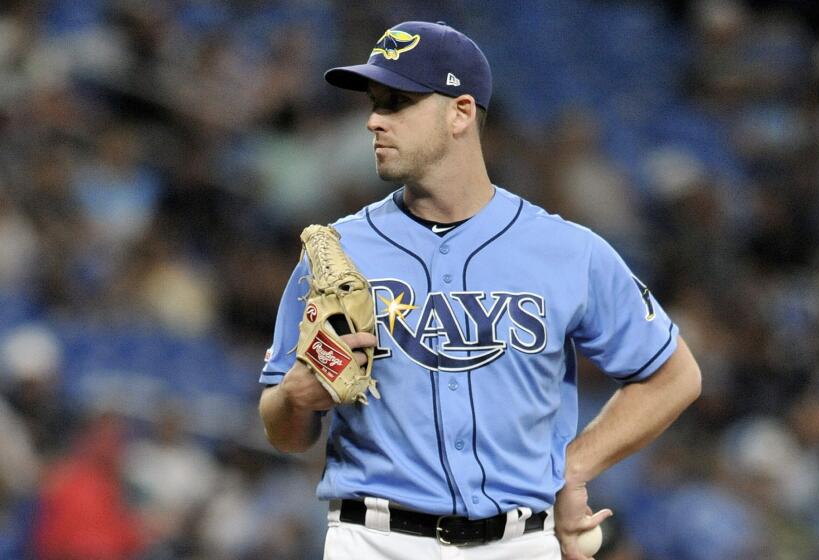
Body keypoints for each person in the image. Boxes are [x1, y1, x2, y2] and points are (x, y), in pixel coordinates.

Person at [258, 20, 701, 560]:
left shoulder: (566, 249)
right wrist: (292, 400)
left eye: (397, 102)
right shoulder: (336, 251)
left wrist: (573, 469)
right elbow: (285, 432)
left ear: (460, 112)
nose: (374, 120)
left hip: (521, 543)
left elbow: (674, 376)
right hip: (373, 539)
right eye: (374, 102)